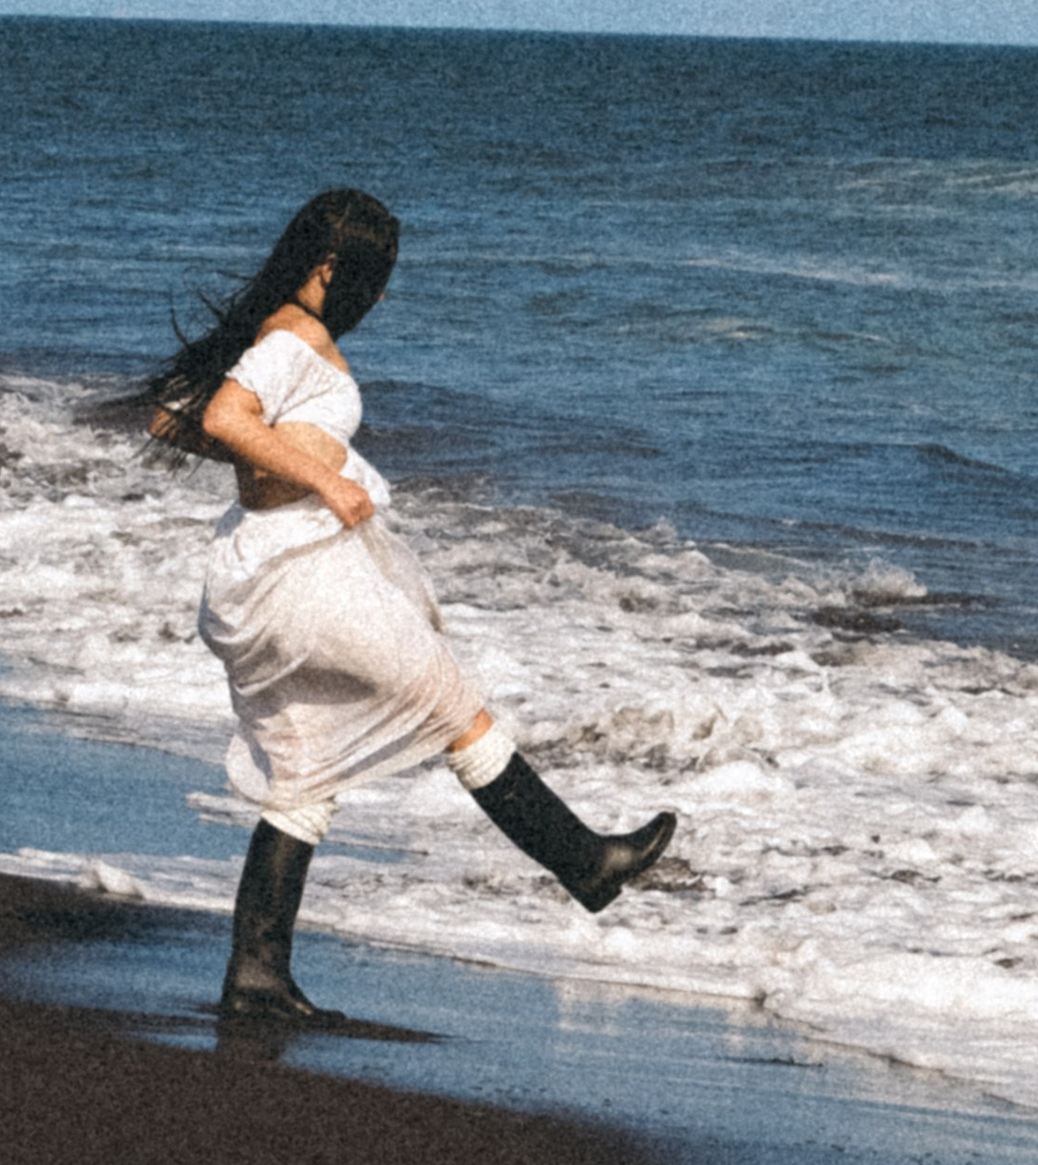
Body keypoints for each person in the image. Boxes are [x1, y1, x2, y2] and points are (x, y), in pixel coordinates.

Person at [143, 186, 676, 1021]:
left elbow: (172, 421)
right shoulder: (293, 337)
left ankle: (256, 975)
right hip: (305, 570)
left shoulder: (278, 333)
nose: (381, 295)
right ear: (329, 269)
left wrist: (277, 466)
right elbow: (216, 413)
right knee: (452, 706)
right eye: (373, 276)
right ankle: (586, 862)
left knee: (305, 773)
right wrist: (322, 478)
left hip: (267, 564)